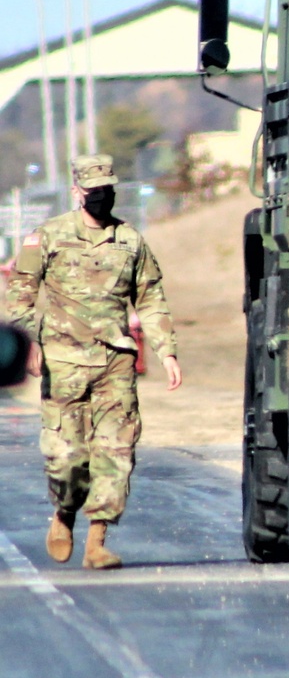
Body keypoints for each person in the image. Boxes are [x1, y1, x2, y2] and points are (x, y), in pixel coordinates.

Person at [5, 154, 182, 569]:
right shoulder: (46, 237)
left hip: (114, 362)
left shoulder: (131, 241)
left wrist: (166, 349)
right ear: (76, 192)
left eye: (107, 191)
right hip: (63, 363)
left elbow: (152, 297)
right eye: (92, 192)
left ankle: (97, 540)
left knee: (116, 452)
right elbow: (20, 295)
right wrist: (31, 344)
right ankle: (64, 514)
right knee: (67, 458)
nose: (101, 198)